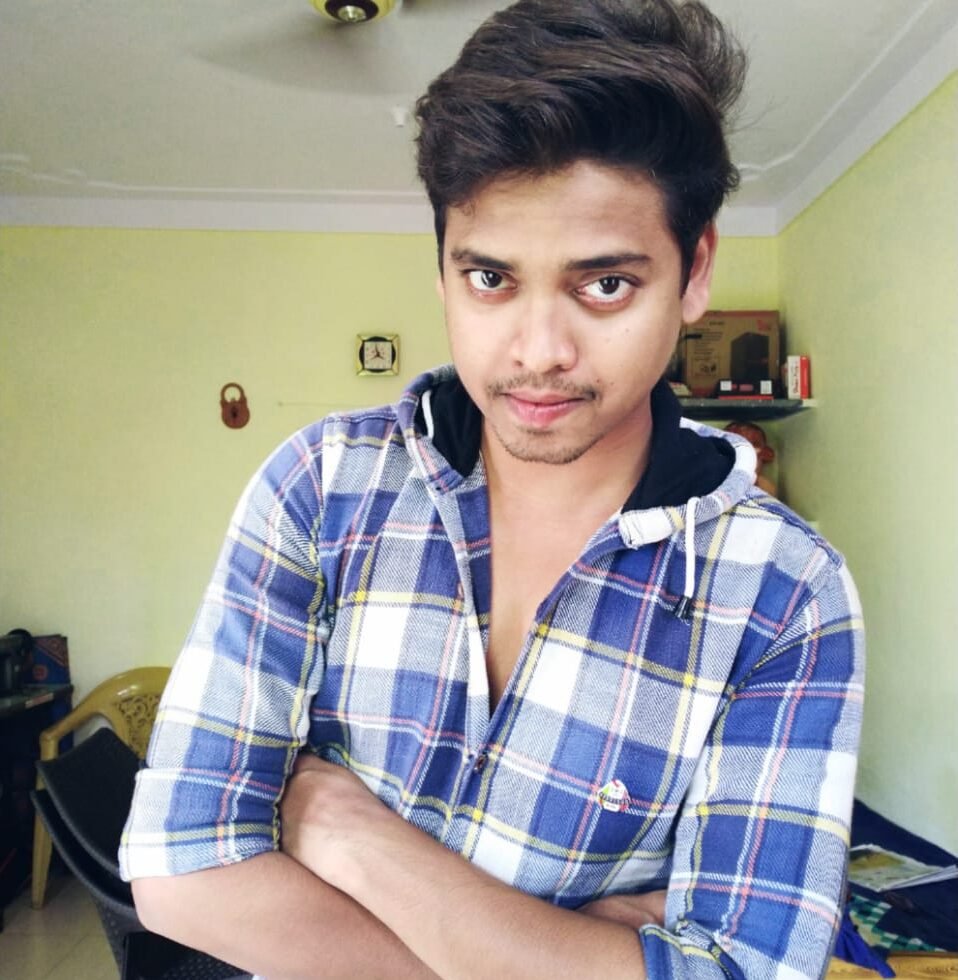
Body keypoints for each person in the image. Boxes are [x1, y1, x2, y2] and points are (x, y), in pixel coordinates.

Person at [120, 2, 865, 978]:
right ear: (442, 270)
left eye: (604, 285)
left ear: (694, 273)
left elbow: (740, 968)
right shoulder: (323, 486)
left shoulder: (786, 590)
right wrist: (565, 951)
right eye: (490, 279)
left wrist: (353, 837)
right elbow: (182, 871)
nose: (538, 351)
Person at [724, 421, 777, 495]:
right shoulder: (712, 483)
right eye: (731, 444)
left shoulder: (766, 489)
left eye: (752, 445)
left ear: (766, 454)